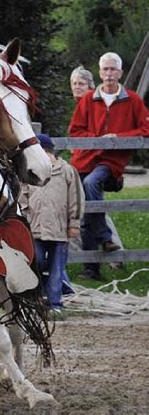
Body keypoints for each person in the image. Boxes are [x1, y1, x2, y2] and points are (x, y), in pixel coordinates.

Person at [69, 52, 149, 280]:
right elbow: (75, 131)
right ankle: (91, 269)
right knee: (85, 215)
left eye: (113, 69)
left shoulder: (133, 100)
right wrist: (97, 138)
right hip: (85, 159)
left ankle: (105, 237)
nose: (109, 74)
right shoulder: (88, 100)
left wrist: (117, 137)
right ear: (100, 72)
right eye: (105, 70)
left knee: (91, 183)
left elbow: (145, 130)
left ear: (120, 73)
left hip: (110, 162)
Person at [19, 134, 83, 311]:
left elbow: (75, 198)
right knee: (36, 261)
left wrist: (74, 223)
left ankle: (55, 303)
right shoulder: (30, 172)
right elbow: (23, 195)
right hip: (36, 228)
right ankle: (37, 297)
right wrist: (25, 216)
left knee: (57, 268)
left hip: (60, 229)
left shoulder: (67, 171)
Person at [69, 64, 124, 258]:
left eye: (81, 83)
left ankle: (110, 250)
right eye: (74, 83)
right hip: (84, 163)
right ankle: (97, 259)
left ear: (90, 86)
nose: (77, 86)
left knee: (91, 210)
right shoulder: (81, 105)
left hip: (96, 163)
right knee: (89, 210)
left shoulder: (97, 103)